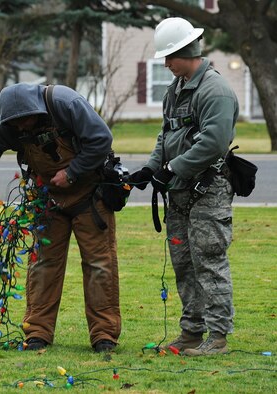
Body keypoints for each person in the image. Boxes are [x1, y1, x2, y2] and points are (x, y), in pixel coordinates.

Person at [0, 83, 121, 353]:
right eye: (16, 124)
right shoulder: (5, 124)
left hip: (90, 197)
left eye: (26, 120)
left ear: (37, 109)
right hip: (47, 200)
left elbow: (101, 139)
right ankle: (37, 333)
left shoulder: (65, 104)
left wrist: (72, 172)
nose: (22, 127)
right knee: (43, 265)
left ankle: (104, 335)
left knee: (99, 264)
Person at [128, 17, 239, 356]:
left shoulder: (214, 90)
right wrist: (151, 168)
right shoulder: (175, 91)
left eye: (168, 57)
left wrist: (172, 167)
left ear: (185, 51)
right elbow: (167, 133)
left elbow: (214, 142)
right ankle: (191, 331)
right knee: (183, 262)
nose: (165, 64)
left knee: (208, 260)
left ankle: (217, 336)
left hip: (209, 190)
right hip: (178, 192)